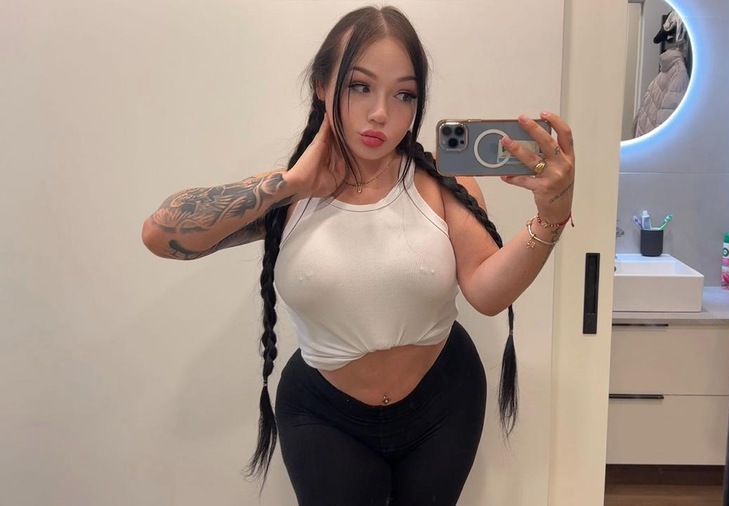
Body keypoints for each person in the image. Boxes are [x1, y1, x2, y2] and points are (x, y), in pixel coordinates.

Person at [141, 5, 575, 505]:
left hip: (443, 402)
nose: (380, 113)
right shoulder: (287, 193)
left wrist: (551, 215)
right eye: (360, 86)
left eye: (404, 94)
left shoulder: (443, 184)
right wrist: (292, 183)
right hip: (323, 414)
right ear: (323, 85)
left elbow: (487, 292)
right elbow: (160, 234)